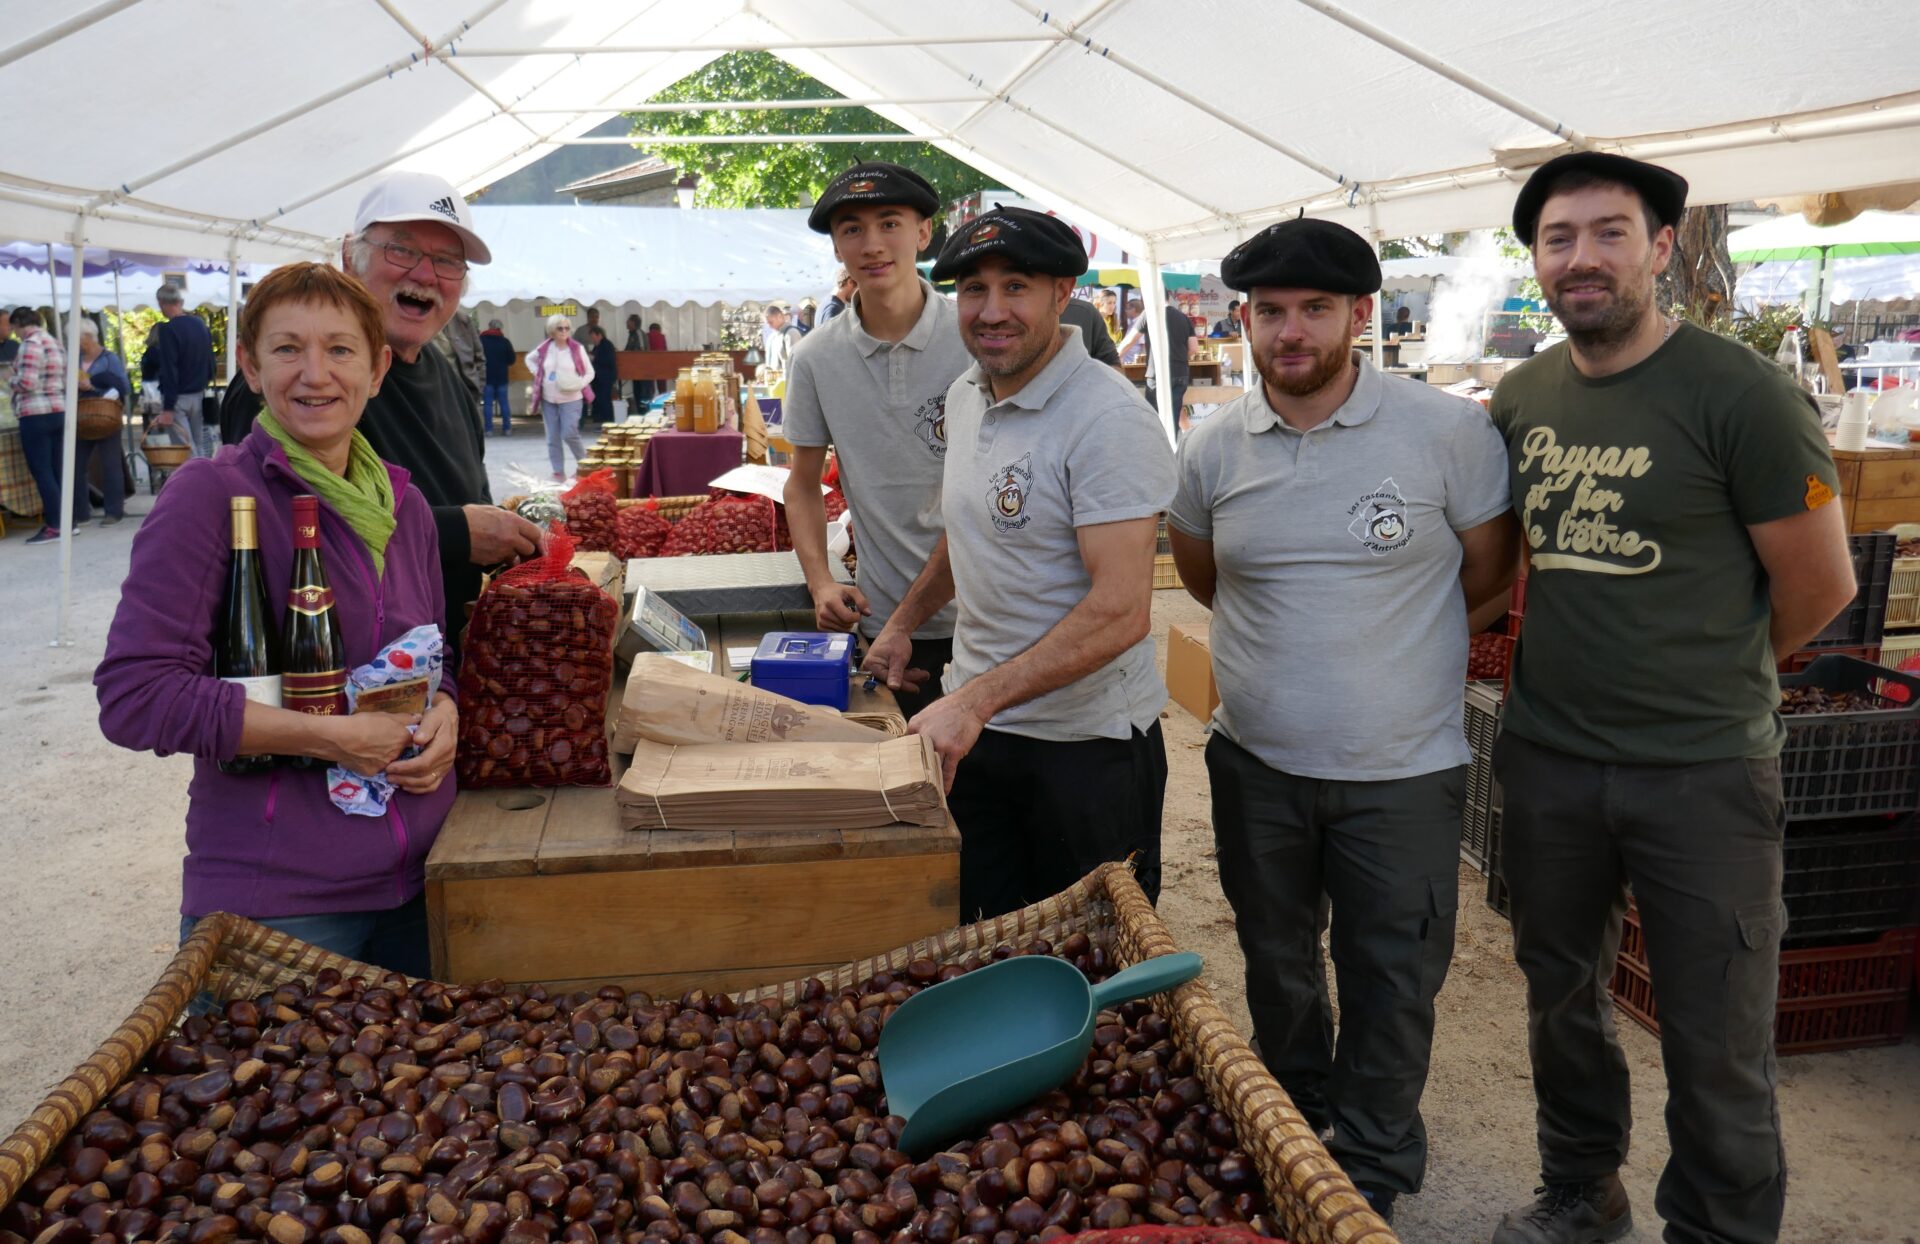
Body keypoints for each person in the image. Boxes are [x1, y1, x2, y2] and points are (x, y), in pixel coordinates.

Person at [1486, 153, 1857, 1244]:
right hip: (1550, 755)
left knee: (1715, 1029)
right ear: (1540, 263)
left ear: (1661, 247)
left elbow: (1821, 584)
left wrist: (1706, 675)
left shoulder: (1741, 393)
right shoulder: (1522, 396)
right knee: (1561, 996)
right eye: (1560, 238)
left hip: (1702, 772)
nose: (1583, 257)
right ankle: (1580, 1184)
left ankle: (1718, 1227)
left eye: (1610, 232)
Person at [1167, 219, 1518, 1226]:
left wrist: (1387, 662)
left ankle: (1370, 1159)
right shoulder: (1212, 446)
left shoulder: (1446, 432)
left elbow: (1487, 578)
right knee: (1278, 960)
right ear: (1244, 318)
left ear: (1361, 314)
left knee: (1393, 972)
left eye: (1314, 308)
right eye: (1270, 310)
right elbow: (1206, 576)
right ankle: (1298, 1118)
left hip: (1402, 768)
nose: (1291, 330)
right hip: (1258, 764)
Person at [95, 262, 459, 975]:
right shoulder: (210, 496)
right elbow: (136, 697)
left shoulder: (405, 508)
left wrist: (448, 709)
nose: (314, 373)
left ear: (379, 367)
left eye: (340, 349)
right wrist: (327, 738)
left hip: (427, 883)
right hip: (282, 907)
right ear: (251, 368)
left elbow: (433, 661)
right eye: (288, 348)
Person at [866, 205, 1176, 919]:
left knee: (1089, 971)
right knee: (986, 945)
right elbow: (966, 529)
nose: (992, 311)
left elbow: (1122, 611)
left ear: (1063, 293)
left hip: (1085, 751)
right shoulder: (967, 395)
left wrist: (972, 701)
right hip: (981, 737)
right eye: (974, 290)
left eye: (1017, 287)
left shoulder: (1108, 418)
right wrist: (904, 623)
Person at [219, 171, 540, 650]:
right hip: (329, 685)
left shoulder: (446, 375)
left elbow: (471, 496)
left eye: (448, 262)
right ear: (351, 256)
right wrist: (456, 531)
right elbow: (276, 532)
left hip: (438, 677)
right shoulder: (296, 386)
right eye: (403, 250)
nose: (426, 275)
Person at [783, 161, 973, 720]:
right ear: (837, 249)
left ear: (922, 233)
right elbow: (802, 486)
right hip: (882, 623)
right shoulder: (815, 358)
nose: (872, 244)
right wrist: (821, 582)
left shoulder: (976, 340)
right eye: (852, 230)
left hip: (989, 619)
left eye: (890, 223)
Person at [9, 306, 72, 545]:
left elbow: (27, 382)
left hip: (35, 412)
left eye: (14, 328)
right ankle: (69, 522)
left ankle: (55, 525)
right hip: (58, 408)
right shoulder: (55, 343)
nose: (14, 333)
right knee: (57, 470)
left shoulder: (29, 345)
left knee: (42, 471)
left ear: (20, 324)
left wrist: (9, 379)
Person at [73, 319, 132, 527]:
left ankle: (114, 511)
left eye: (78, 337)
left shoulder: (109, 359)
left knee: (110, 463)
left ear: (88, 336)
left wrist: (94, 389)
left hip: (105, 415)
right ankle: (80, 511)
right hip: (81, 416)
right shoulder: (75, 358)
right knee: (76, 464)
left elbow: (122, 387)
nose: (77, 343)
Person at [1119, 295, 1199, 440]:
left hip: (1157, 373)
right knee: (1173, 418)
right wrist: (1179, 358)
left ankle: (1156, 455)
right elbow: (1193, 348)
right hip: (1180, 373)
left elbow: (1129, 342)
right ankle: (1172, 452)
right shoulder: (1183, 317)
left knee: (1154, 419)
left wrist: (1113, 360)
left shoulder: (1150, 314)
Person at [153, 284, 216, 458]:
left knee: (185, 450)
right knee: (199, 445)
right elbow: (211, 362)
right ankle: (205, 480)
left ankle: (196, 483)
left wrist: (168, 407)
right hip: (199, 393)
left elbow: (169, 369)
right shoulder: (200, 324)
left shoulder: (168, 330)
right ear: (180, 301)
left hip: (178, 397)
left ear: (161, 303)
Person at [529, 313, 592, 482]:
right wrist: (538, 373)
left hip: (572, 398)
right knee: (552, 437)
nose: (564, 331)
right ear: (552, 331)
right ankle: (558, 471)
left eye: (567, 328)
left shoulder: (577, 348)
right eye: (560, 328)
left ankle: (584, 466)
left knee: (569, 433)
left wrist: (580, 383)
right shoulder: (544, 348)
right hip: (548, 400)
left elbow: (589, 372)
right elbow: (530, 359)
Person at [1060, 293, 1123, 369]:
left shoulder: (1112, 321)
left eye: (1114, 303)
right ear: (1100, 304)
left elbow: (1112, 362)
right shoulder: (1086, 313)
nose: (1112, 306)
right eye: (1109, 303)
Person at [478, 318, 515, 435]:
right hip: (502, 377)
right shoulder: (505, 342)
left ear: (489, 327)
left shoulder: (481, 340)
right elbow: (512, 359)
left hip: (487, 377)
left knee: (488, 404)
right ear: (500, 328)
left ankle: (489, 430)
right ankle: (507, 429)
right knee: (504, 403)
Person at [584, 324, 617, 425]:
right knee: (597, 400)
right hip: (598, 378)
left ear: (599, 335)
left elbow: (609, 360)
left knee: (605, 400)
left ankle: (607, 421)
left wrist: (594, 358)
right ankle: (598, 420)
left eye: (593, 337)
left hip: (605, 377)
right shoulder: (597, 346)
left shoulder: (607, 345)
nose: (592, 339)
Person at [625, 313, 654, 409]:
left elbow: (642, 350)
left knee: (643, 393)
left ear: (633, 323)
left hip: (642, 369)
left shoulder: (638, 333)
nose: (626, 322)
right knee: (638, 392)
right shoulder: (632, 334)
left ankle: (644, 413)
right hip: (636, 369)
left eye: (628, 321)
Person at [761, 304, 802, 372]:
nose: (769, 326)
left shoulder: (791, 334)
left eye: (771, 322)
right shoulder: (771, 338)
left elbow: (795, 362)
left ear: (780, 317)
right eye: (767, 323)